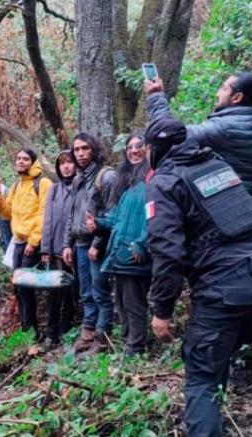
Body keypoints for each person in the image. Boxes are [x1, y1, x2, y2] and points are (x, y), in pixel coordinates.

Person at [144, 116, 252, 436]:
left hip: (226, 284)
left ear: (154, 150)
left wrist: (161, 310)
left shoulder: (164, 181)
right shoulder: (217, 164)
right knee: (216, 358)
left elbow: (167, 253)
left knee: (201, 375)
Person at [144, 72, 252, 206]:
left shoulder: (226, 127)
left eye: (223, 89)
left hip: (227, 211)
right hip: (247, 209)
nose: (217, 93)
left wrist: (156, 97)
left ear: (237, 97)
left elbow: (169, 134)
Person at [86, 132, 152, 355]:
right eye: (130, 147)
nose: (134, 151)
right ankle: (127, 342)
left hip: (135, 254)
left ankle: (136, 347)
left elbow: (156, 218)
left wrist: (142, 244)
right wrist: (98, 223)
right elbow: (117, 219)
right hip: (119, 253)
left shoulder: (152, 180)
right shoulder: (128, 184)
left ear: (148, 149)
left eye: (139, 146)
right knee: (122, 303)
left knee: (134, 303)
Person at [62, 133, 119, 354]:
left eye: (85, 148)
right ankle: (87, 331)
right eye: (76, 150)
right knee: (86, 291)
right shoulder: (79, 178)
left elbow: (111, 215)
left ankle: (102, 336)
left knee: (100, 292)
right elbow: (72, 214)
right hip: (80, 244)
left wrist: (97, 243)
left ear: (94, 149)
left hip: (98, 246)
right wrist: (67, 244)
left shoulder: (107, 177)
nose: (81, 154)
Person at [0, 148, 53, 335]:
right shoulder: (17, 185)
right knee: (19, 288)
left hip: (33, 245)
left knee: (26, 287)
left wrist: (34, 242)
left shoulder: (43, 183)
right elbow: (7, 213)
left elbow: (44, 214)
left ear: (33, 162)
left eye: (25, 159)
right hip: (18, 243)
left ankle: (33, 331)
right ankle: (27, 327)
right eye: (18, 158)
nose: (20, 161)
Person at [40, 150, 78, 351]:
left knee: (71, 292)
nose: (66, 166)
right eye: (62, 163)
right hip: (54, 250)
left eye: (70, 162)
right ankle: (50, 334)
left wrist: (70, 245)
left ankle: (65, 331)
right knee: (53, 294)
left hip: (72, 249)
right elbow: (47, 221)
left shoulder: (80, 187)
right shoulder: (54, 190)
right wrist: (45, 249)